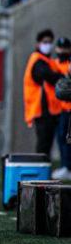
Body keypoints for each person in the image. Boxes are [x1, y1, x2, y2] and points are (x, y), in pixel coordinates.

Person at [23, 29, 64, 158]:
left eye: (50, 42)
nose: (48, 45)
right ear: (38, 43)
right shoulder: (37, 60)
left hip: (51, 109)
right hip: (41, 108)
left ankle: (47, 169)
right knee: (44, 143)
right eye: (45, 42)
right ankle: (42, 171)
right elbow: (50, 76)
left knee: (52, 141)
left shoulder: (48, 61)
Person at [51, 37, 71, 180]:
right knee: (61, 138)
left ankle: (67, 167)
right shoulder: (53, 63)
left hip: (68, 109)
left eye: (65, 48)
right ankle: (65, 166)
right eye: (60, 47)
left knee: (66, 139)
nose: (62, 51)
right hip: (58, 109)